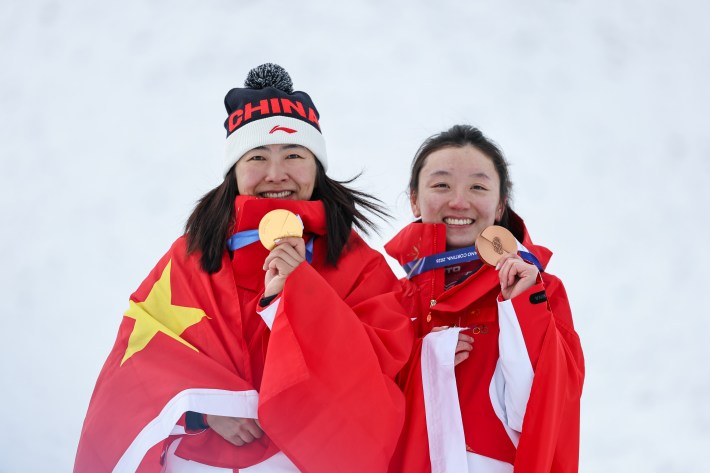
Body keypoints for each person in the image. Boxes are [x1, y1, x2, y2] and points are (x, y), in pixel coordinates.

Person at [74, 64, 413, 473]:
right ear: (234, 170)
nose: (276, 174)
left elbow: (382, 365)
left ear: (316, 167)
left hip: (300, 461)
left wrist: (298, 295)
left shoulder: (360, 264)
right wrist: (205, 409)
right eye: (257, 157)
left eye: (293, 154)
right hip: (198, 461)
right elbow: (137, 364)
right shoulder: (190, 257)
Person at [385, 125, 585, 472]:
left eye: (477, 186)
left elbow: (550, 410)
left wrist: (522, 308)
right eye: (441, 184)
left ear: (500, 204)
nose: (459, 201)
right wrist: (426, 361)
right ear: (414, 198)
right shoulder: (389, 300)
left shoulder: (538, 288)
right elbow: (358, 409)